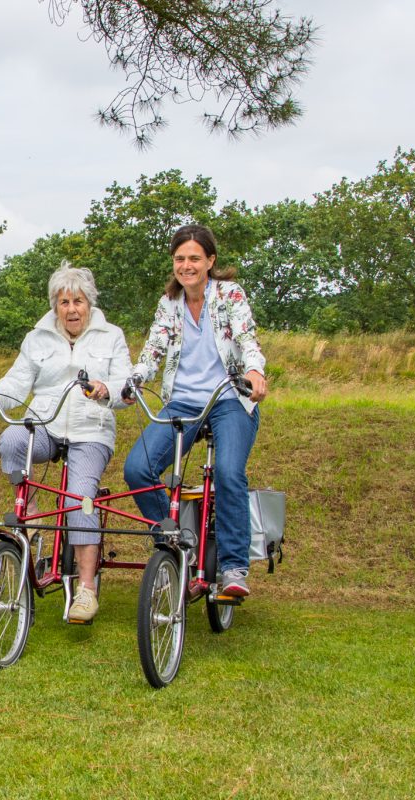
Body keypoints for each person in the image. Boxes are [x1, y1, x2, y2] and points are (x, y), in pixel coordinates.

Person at [0, 263, 132, 623]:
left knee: (80, 500)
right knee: (12, 440)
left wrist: (107, 390)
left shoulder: (111, 336)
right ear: (55, 305)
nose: (72, 309)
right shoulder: (37, 337)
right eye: (64, 302)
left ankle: (86, 590)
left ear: (89, 303)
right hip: (45, 422)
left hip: (90, 428)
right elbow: (16, 383)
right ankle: (30, 516)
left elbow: (126, 386)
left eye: (78, 301)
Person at [122, 224, 268, 598]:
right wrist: (134, 379)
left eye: (194, 259)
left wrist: (254, 371)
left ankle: (234, 566)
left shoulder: (229, 295)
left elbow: (247, 339)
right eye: (180, 259)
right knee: (138, 468)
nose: (186, 266)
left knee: (228, 471)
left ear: (210, 261)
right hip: (183, 402)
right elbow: (152, 351)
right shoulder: (168, 303)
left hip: (228, 398)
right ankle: (178, 543)